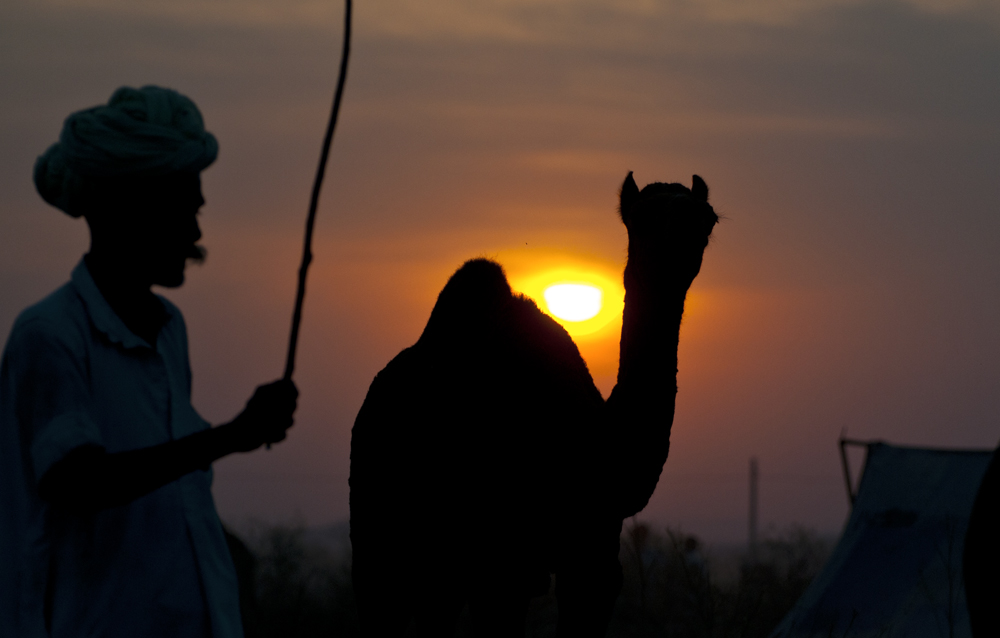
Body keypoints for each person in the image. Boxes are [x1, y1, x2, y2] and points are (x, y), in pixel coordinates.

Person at [0, 86, 298, 638]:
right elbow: (77, 482)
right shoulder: (49, 335)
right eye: (183, 211)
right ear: (130, 211)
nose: (196, 234)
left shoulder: (169, 330)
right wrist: (230, 436)